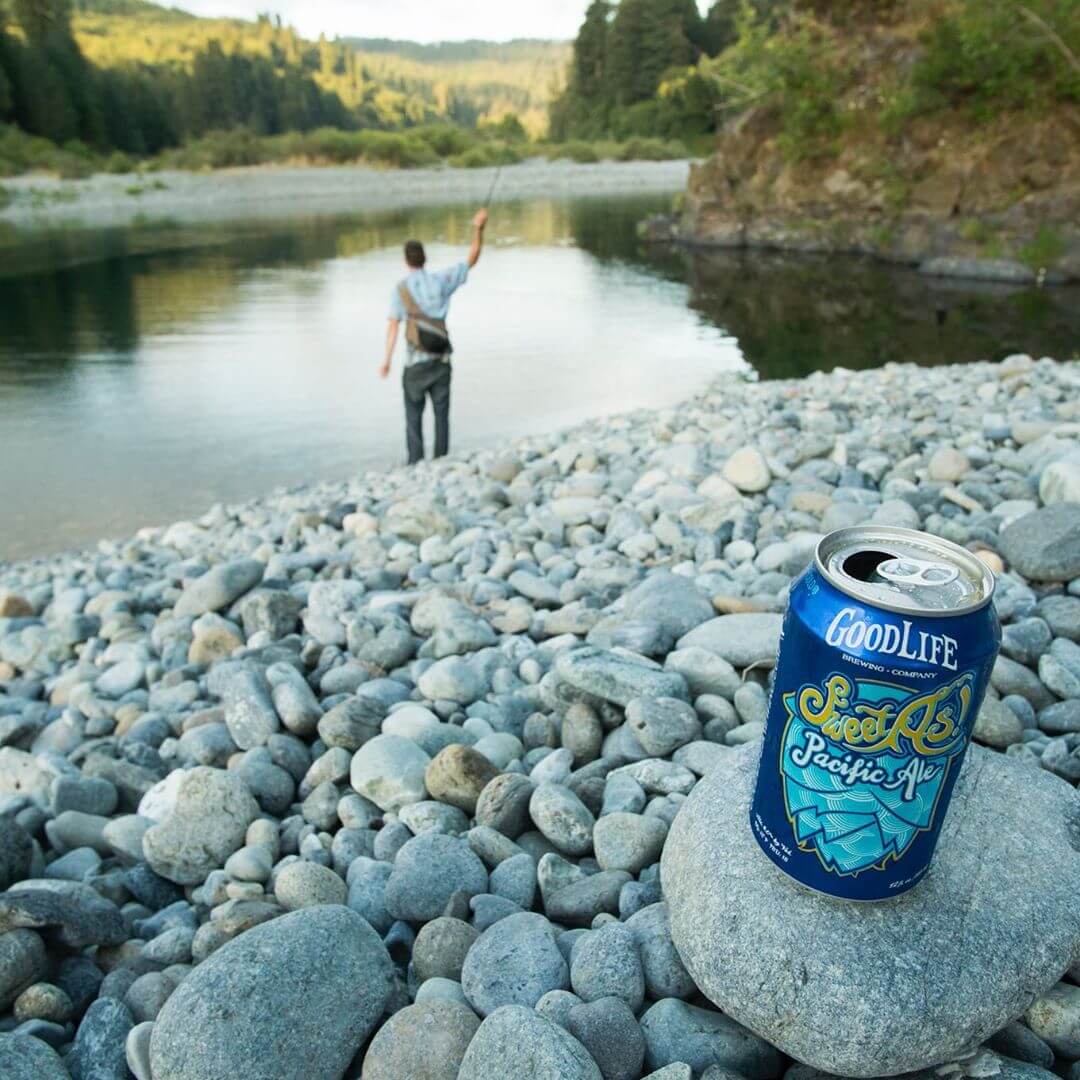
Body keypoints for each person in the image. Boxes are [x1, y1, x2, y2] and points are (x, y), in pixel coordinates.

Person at [382, 208, 488, 465]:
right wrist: (478, 229)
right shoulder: (441, 281)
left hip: (415, 364)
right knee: (442, 414)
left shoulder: (401, 290)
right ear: (425, 258)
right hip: (441, 360)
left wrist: (386, 360)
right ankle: (441, 460)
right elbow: (471, 260)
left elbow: (394, 326)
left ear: (406, 261)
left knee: (413, 416)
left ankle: (415, 463)